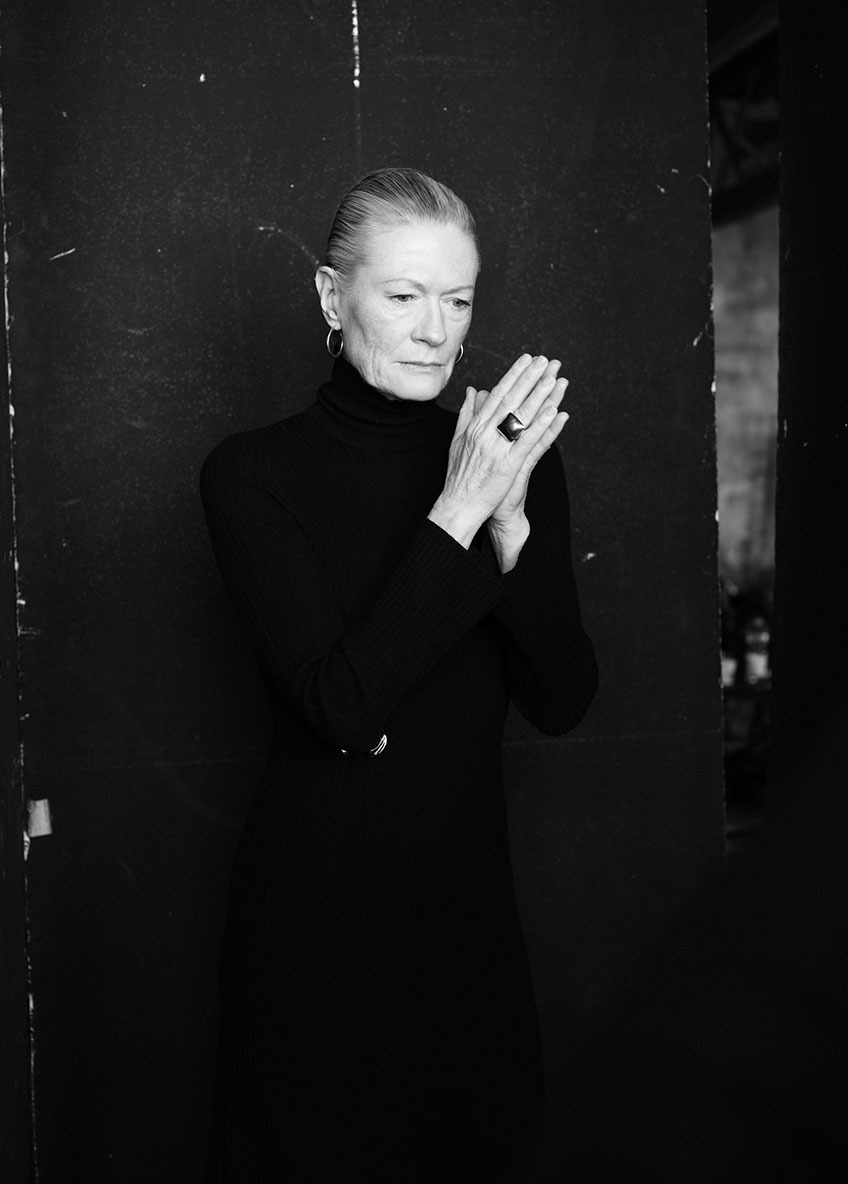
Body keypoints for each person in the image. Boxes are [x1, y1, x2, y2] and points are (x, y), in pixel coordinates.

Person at [200, 166, 598, 1182]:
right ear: (332, 298)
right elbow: (342, 706)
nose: (434, 331)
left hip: (467, 916)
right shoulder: (251, 473)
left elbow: (561, 699)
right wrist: (458, 510)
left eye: (457, 300)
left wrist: (510, 528)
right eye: (403, 294)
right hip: (315, 920)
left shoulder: (510, 459)